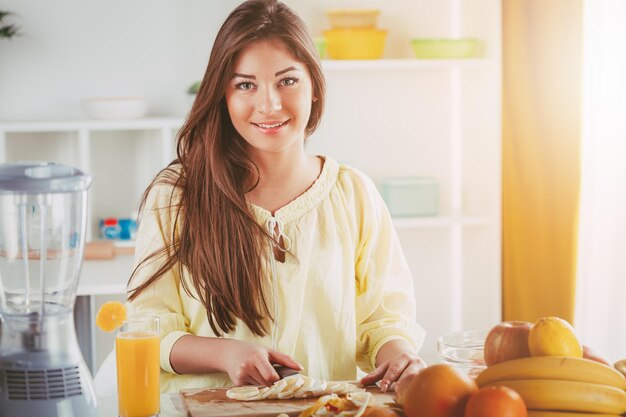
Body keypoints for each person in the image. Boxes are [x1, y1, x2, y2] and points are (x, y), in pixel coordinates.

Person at [127, 0, 426, 394]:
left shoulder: (354, 194)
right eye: (245, 84)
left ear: (314, 88)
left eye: (287, 81)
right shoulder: (177, 196)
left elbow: (382, 321)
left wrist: (399, 356)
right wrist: (227, 353)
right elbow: (147, 329)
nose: (269, 104)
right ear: (223, 95)